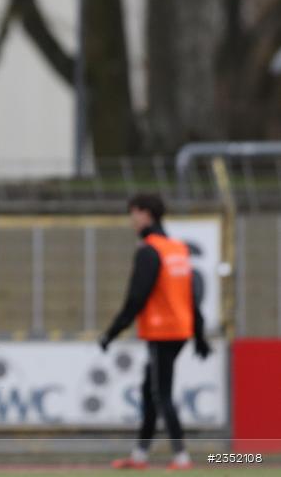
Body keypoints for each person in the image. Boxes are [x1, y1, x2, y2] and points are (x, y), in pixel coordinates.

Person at [100, 194, 212, 471]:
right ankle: (139, 456)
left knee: (161, 393)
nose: (132, 219)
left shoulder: (149, 250)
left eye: (133, 213)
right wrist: (199, 334)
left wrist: (112, 332)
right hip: (181, 329)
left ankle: (181, 457)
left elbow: (136, 297)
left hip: (162, 331)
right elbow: (191, 296)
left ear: (145, 214)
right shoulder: (177, 249)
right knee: (150, 390)